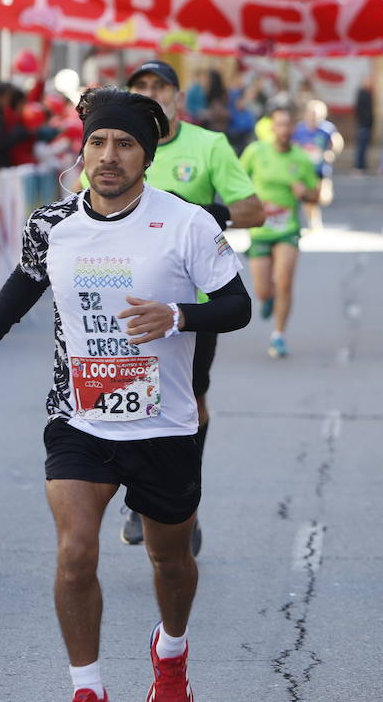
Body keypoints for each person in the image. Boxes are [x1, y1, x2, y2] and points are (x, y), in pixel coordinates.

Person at [0, 87, 249, 702]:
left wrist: (177, 316)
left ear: (147, 156)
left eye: (124, 144)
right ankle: (87, 688)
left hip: (163, 421)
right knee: (74, 553)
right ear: (83, 150)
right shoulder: (53, 223)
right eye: (98, 142)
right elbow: (28, 278)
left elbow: (237, 305)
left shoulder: (185, 222)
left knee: (170, 562)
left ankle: (171, 653)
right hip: (78, 416)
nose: (109, 155)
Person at [122, 59, 265, 551]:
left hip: (193, 304)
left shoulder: (209, 145)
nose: (151, 93)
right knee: (124, 396)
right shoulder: (117, 145)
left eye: (159, 86)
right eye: (140, 87)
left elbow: (253, 209)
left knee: (188, 403)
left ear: (178, 97)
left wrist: (199, 214)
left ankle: (185, 503)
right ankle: (140, 497)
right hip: (125, 299)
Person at [240, 107, 318, 359]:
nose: (284, 130)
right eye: (280, 125)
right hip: (260, 229)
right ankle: (268, 298)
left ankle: (278, 336)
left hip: (288, 229)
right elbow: (237, 180)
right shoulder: (256, 152)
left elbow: (317, 193)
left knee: (284, 280)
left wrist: (304, 194)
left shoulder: (301, 159)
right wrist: (252, 204)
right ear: (272, 128)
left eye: (288, 125)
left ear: (293, 129)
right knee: (263, 290)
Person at [291, 99, 343, 230]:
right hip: (305, 169)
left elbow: (337, 142)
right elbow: (293, 145)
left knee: (322, 197)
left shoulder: (327, 128)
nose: (314, 116)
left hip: (321, 168)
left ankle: (315, 217)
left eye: (317, 114)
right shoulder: (300, 129)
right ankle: (313, 223)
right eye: (312, 113)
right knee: (308, 197)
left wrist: (331, 153)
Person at [354, 77, 375, 172]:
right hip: (363, 124)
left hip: (366, 124)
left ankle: (362, 165)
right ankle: (359, 165)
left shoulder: (368, 94)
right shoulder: (362, 94)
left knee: (364, 147)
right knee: (361, 146)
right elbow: (359, 110)